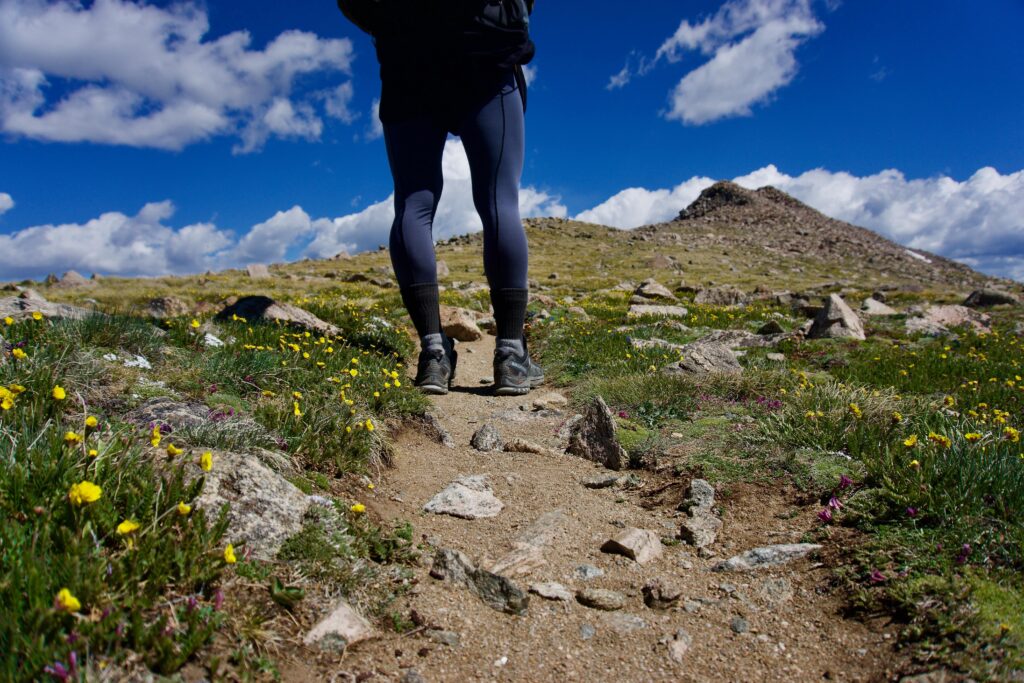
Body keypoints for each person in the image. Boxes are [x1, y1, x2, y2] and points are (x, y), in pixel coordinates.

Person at [337, 0, 544, 396]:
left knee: (414, 203)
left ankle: (433, 353)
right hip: (486, 48)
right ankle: (511, 356)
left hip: (407, 59)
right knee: (499, 199)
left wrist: (391, 25)